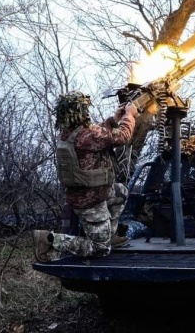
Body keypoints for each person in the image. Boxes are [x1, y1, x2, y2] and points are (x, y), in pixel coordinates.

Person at [33, 91, 139, 262]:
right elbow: (123, 136)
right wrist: (129, 114)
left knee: (121, 192)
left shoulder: (71, 133)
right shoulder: (90, 135)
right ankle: (50, 240)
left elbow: (98, 135)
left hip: (89, 194)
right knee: (101, 249)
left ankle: (109, 235)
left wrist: (114, 120)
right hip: (91, 202)